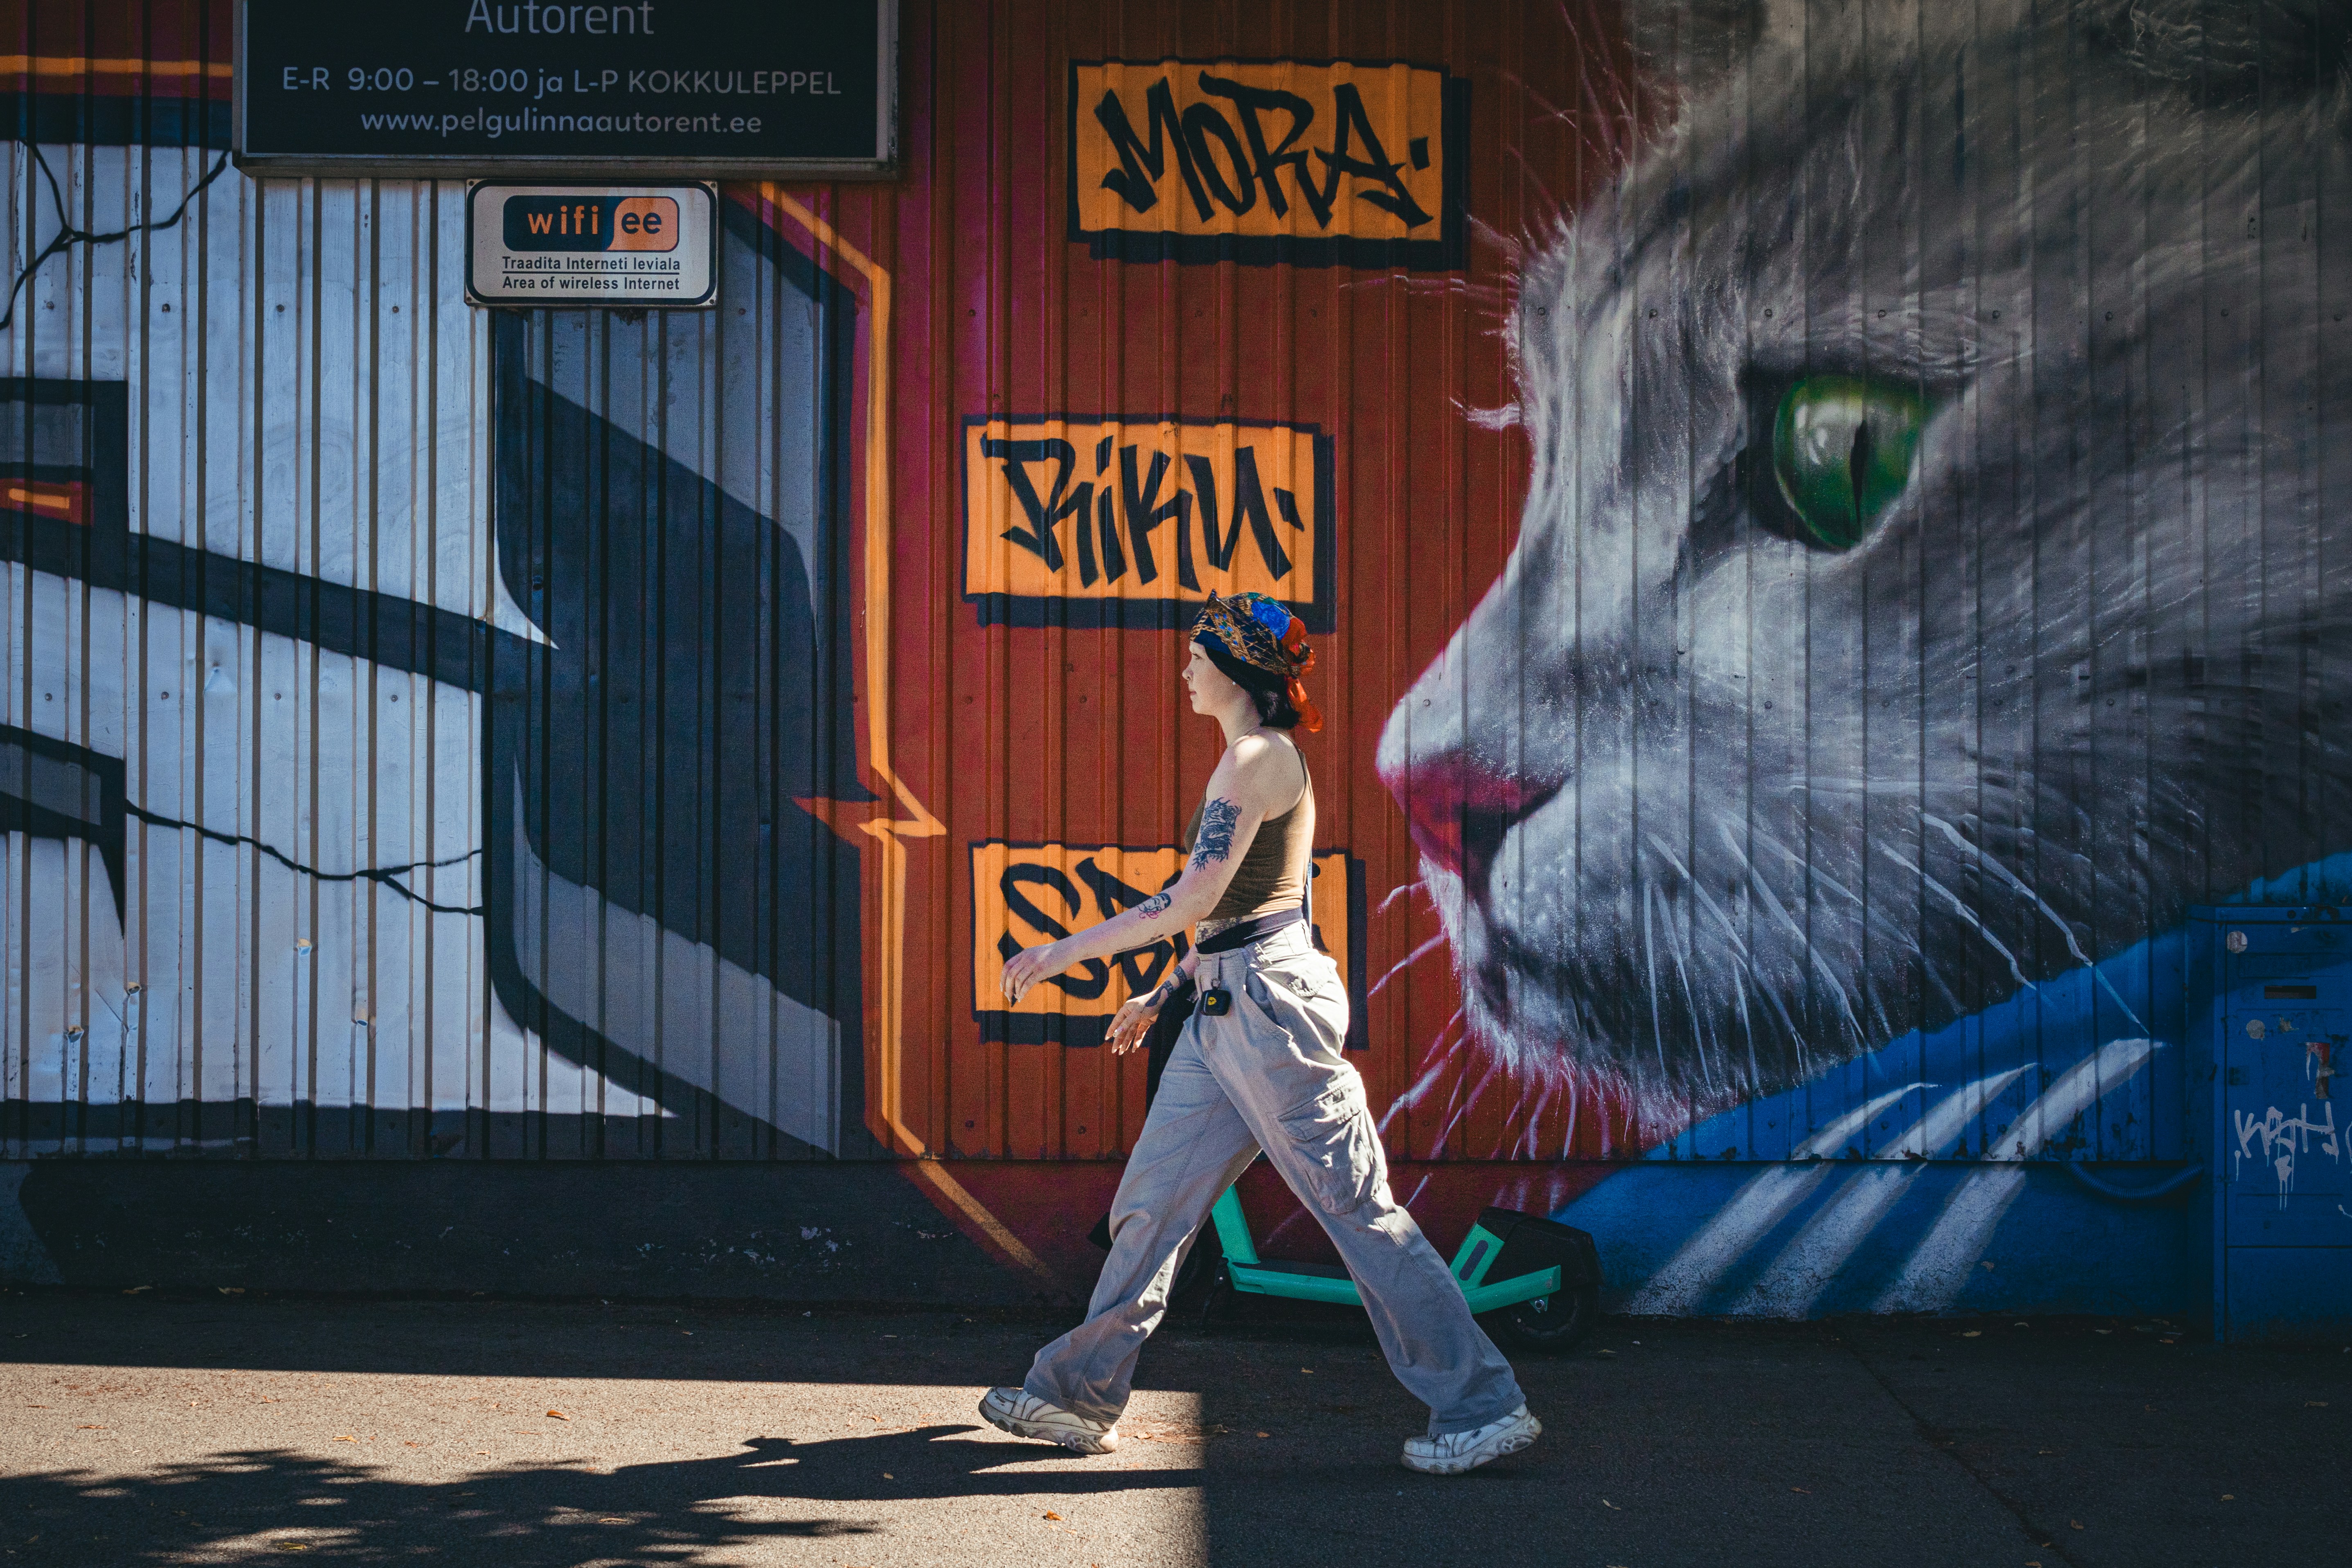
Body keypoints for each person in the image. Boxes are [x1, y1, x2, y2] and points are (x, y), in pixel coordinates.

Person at [980, 592, 1540, 1476]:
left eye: (1198, 658)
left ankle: (1482, 1405)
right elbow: (1246, 909)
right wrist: (1164, 990)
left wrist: (1063, 950)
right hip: (1223, 1003)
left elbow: (1196, 898)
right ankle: (1075, 1397)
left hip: (1268, 1013)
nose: (1185, 671)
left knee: (1357, 1211)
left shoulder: (1257, 759)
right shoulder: (1248, 761)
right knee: (1152, 1206)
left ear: (1237, 672)